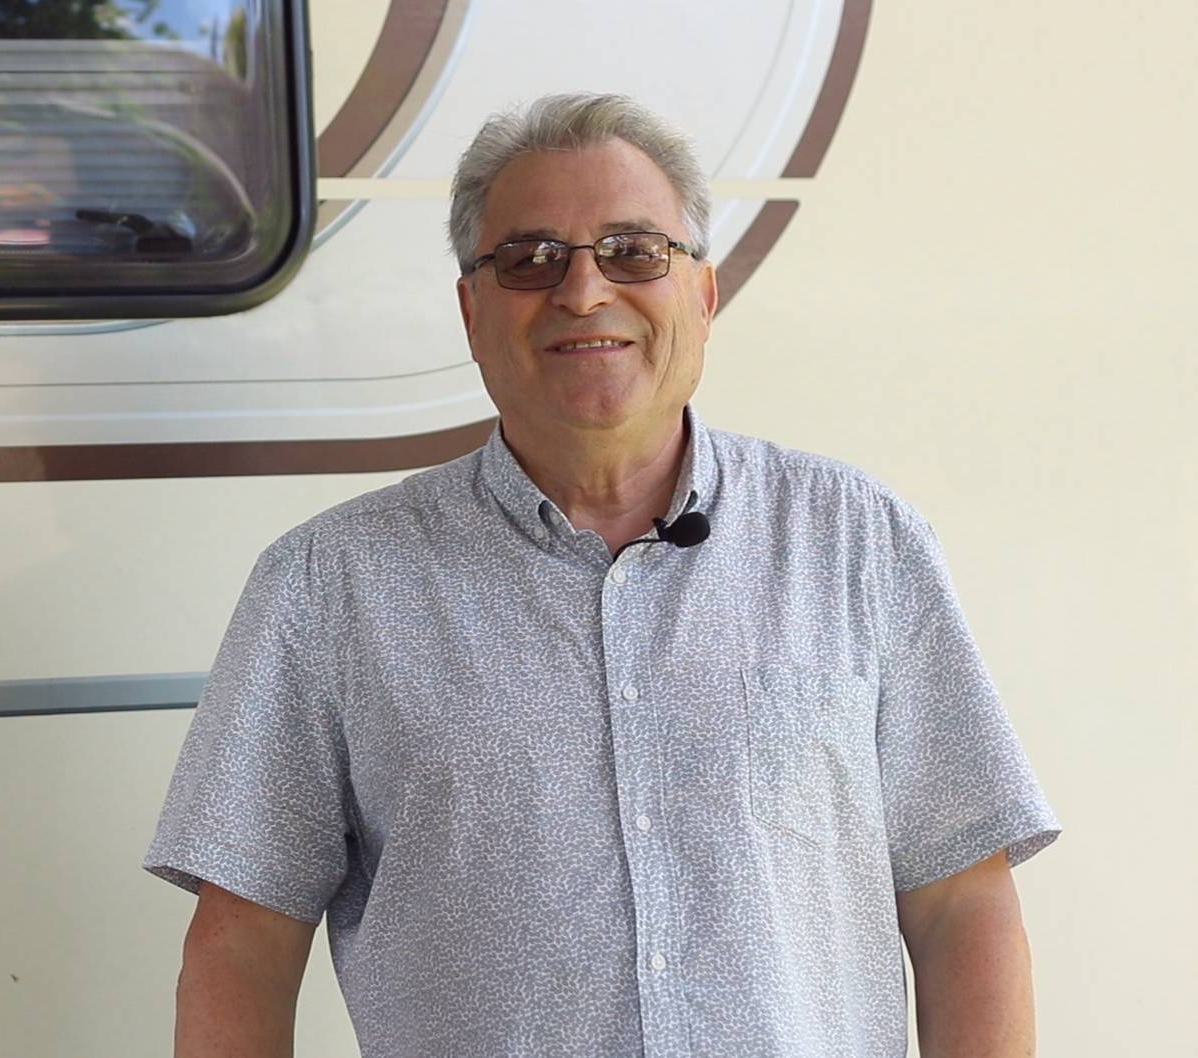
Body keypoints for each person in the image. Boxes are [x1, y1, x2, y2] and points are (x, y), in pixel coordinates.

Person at [144, 93, 1061, 1058]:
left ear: (701, 295)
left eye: (633, 252)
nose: (582, 292)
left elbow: (961, 901)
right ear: (471, 310)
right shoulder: (326, 585)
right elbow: (241, 946)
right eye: (530, 258)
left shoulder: (857, 540)